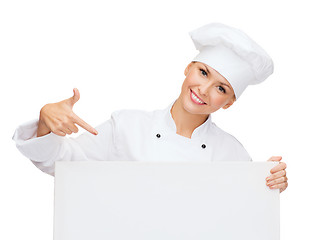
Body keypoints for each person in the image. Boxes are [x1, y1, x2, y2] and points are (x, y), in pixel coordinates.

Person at [12, 22, 288, 193]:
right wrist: (45, 122)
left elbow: (243, 215)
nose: (204, 89)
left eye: (221, 87)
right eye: (203, 72)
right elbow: (62, 165)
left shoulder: (233, 153)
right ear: (188, 68)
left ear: (228, 102)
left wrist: (269, 184)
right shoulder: (127, 126)